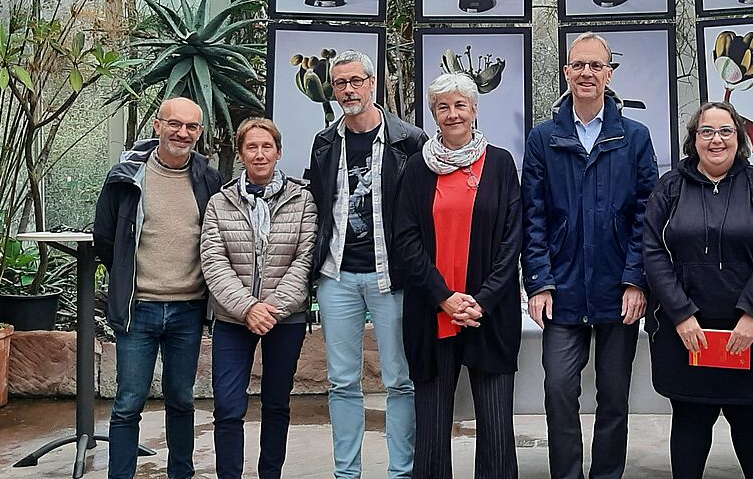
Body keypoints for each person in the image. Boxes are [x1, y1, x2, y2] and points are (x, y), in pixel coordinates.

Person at [521, 31, 658, 479]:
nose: (586, 73)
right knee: (559, 389)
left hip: (617, 291)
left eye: (596, 66)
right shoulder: (543, 139)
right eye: (578, 65)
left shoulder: (634, 137)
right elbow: (534, 216)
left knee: (614, 396)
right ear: (566, 72)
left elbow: (647, 216)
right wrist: (539, 283)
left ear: (609, 74)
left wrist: (636, 280)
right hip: (561, 291)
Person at [642, 101, 753, 479]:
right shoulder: (670, 187)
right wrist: (680, 314)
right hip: (686, 332)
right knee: (691, 417)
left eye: (725, 131)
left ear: (739, 138)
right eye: (706, 131)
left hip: (751, 331)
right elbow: (653, 252)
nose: (716, 140)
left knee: (752, 419)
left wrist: (752, 313)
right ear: (693, 139)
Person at [391, 73, 522, 479]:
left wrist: (481, 300)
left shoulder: (500, 163)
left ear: (474, 110)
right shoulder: (416, 168)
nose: (452, 114)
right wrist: (445, 299)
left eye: (460, 105)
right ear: (433, 113)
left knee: (498, 430)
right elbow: (405, 240)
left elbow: (511, 240)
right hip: (433, 315)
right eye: (443, 107)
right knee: (431, 432)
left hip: (489, 314)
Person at [308, 49, 426, 479]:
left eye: (356, 81)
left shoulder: (408, 140)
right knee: (341, 382)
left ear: (372, 83)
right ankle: (347, 473)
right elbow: (322, 205)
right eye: (340, 83)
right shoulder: (325, 140)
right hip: (337, 276)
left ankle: (401, 472)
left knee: (399, 380)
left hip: (389, 276)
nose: (349, 90)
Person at [93, 97, 224, 479]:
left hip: (188, 309)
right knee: (128, 401)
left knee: (182, 399)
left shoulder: (208, 177)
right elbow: (105, 237)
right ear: (157, 125)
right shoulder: (127, 176)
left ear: (199, 133)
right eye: (175, 124)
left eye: (191, 127)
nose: (182, 133)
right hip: (139, 309)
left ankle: (180, 473)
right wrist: (127, 279)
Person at [200, 118, 317, 479]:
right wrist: (248, 307)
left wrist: (273, 309)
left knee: (277, 403)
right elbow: (213, 259)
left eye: (267, 147)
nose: (260, 154)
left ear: (279, 152)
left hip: (286, 318)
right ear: (240, 154)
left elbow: (305, 258)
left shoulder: (303, 200)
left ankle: (271, 474)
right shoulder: (220, 202)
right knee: (228, 406)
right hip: (233, 319)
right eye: (251, 147)